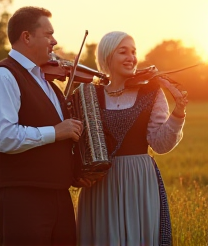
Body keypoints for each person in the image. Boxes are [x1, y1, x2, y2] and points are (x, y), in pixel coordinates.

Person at [0, 6, 83, 246]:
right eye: (48, 34)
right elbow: (3, 138)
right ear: (26, 37)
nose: (54, 41)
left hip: (57, 194)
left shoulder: (47, 83)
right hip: (20, 196)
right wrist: (56, 132)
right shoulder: (3, 76)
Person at [76, 31, 188, 246]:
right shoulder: (89, 95)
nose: (131, 57)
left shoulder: (152, 92)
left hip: (139, 179)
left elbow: (160, 144)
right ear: (108, 56)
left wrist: (179, 112)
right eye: (123, 51)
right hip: (101, 184)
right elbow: (77, 144)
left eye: (134, 52)